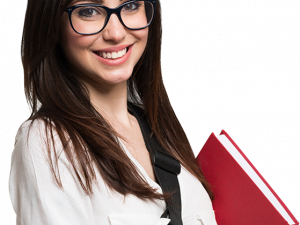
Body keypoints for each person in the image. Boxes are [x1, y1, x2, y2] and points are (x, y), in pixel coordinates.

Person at [9, 0, 218, 224]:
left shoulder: (164, 132)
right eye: (88, 11)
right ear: (52, 24)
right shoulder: (48, 142)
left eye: (130, 6)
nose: (116, 33)